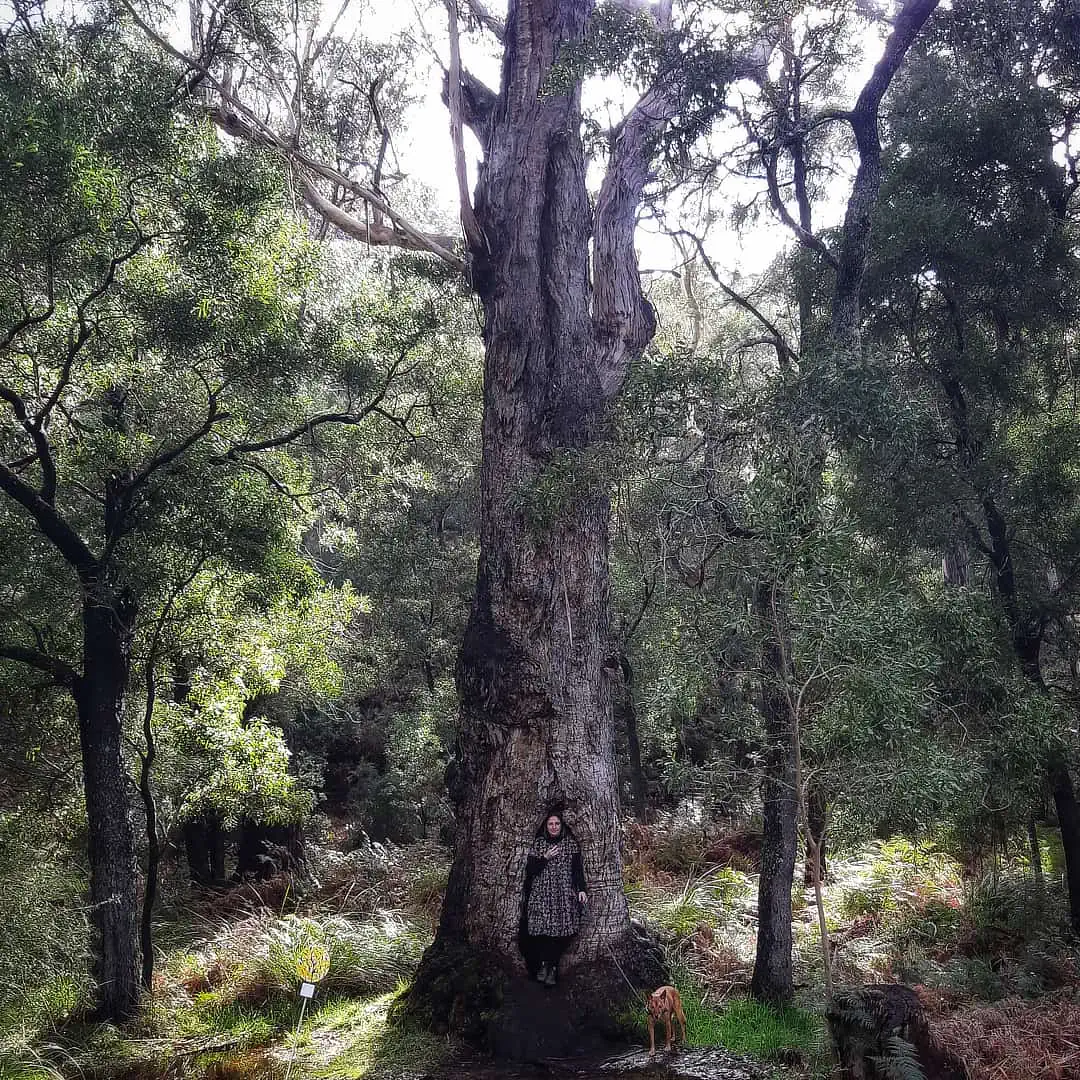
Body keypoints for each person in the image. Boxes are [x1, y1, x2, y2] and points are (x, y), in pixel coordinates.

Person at [520, 809, 588, 987]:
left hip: (563, 895)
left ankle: (554, 968)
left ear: (561, 825)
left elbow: (577, 870)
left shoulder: (570, 844)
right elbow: (531, 870)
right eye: (551, 823)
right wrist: (545, 857)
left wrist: (581, 889)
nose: (554, 826)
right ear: (546, 826)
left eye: (557, 823)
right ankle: (544, 966)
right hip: (542, 895)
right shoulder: (539, 844)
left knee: (560, 933)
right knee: (542, 932)